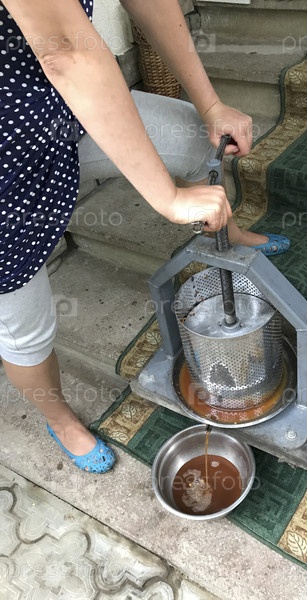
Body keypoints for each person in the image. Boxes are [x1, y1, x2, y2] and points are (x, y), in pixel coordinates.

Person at [0, 0, 289, 474]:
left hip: (66, 110)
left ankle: (229, 235)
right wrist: (168, 197)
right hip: (8, 164)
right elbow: (66, 49)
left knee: (192, 137)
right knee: (23, 329)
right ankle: (59, 419)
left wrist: (211, 105)